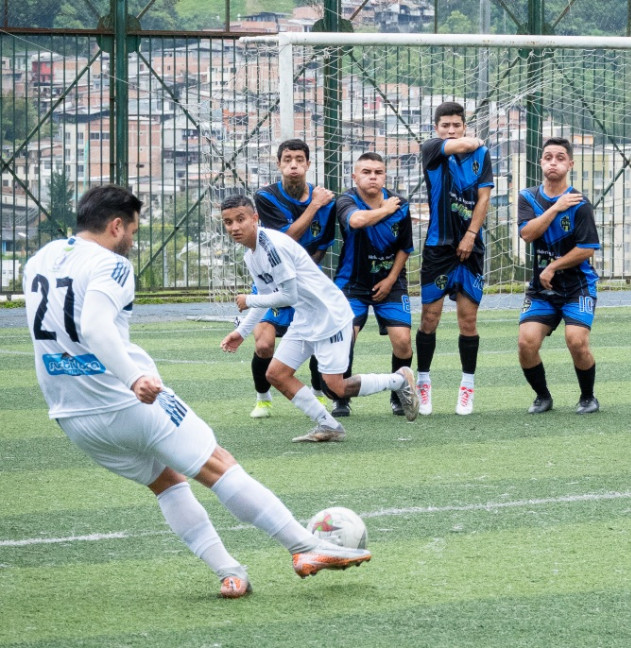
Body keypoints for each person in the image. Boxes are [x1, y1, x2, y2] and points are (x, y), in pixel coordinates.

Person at [23, 185, 371, 600]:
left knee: (167, 482)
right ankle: (306, 547)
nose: (132, 240)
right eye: (132, 230)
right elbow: (96, 326)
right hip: (127, 401)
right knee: (219, 466)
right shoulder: (110, 265)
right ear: (116, 225)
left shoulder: (40, 259)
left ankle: (230, 572)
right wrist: (134, 378)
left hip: (71, 415)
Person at [219, 195, 420, 443]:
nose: (235, 227)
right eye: (228, 222)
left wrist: (249, 301)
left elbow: (286, 296)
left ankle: (399, 380)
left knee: (336, 387)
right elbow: (265, 294)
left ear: (255, 218)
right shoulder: (251, 255)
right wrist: (242, 333)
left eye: (240, 219)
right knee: (276, 374)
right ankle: (328, 424)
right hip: (306, 319)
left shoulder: (273, 247)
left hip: (330, 317)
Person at [248, 138, 336, 420]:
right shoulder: (266, 197)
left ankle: (319, 395)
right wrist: (314, 206)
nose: (293, 164)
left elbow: (323, 243)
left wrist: (307, 271)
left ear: (308, 164)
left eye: (299, 159)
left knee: (316, 339)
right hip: (272, 280)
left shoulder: (327, 201)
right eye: (287, 159)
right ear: (279, 164)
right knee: (264, 345)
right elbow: (284, 240)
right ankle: (263, 399)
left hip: (308, 282)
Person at [416, 101, 494, 415]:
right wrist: (472, 139)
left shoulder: (482, 157)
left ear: (464, 124)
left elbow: (484, 196)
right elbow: (464, 144)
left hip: (471, 247)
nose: (451, 129)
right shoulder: (432, 149)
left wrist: (471, 234)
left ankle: (467, 388)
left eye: (456, 125)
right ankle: (423, 383)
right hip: (438, 246)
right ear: (437, 129)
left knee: (468, 322)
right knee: (429, 320)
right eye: (445, 125)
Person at [517, 137, 601, 415]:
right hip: (542, 291)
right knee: (526, 342)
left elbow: (587, 249)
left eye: (560, 157)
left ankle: (588, 397)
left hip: (577, 287)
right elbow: (527, 234)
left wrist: (553, 267)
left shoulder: (580, 203)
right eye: (548, 157)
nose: (554, 162)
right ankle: (543, 397)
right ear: (541, 162)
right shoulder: (528, 197)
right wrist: (555, 208)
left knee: (576, 340)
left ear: (570, 164)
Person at [334, 152, 414, 416]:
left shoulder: (400, 204)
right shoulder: (346, 200)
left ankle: (397, 394)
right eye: (366, 172)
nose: (372, 177)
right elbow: (356, 221)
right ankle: (341, 398)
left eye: (378, 172)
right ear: (354, 176)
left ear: (385, 176)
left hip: (390, 283)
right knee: (344, 341)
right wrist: (386, 209)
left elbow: (405, 247)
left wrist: (391, 280)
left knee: (403, 342)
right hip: (352, 284)